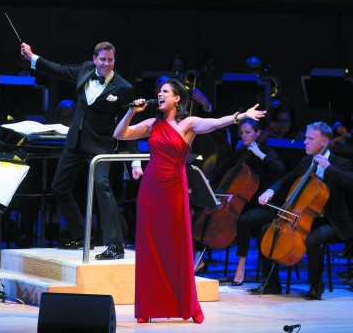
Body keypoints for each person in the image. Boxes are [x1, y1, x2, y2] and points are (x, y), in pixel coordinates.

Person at [113, 78, 264, 323]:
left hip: (174, 188)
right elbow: (119, 133)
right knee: (150, 247)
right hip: (151, 188)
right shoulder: (152, 123)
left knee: (177, 245)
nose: (159, 95)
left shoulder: (188, 124)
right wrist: (131, 111)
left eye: (165, 92)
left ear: (177, 98)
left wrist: (240, 116)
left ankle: (187, 306)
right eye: (158, 91)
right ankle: (148, 307)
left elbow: (215, 124)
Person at [20, 41, 142, 259]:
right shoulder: (85, 70)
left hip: (100, 145)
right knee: (58, 187)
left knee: (102, 187)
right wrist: (32, 58)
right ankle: (79, 234)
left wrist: (135, 161)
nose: (106, 64)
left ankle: (115, 245)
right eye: (103, 59)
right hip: (75, 142)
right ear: (94, 59)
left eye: (110, 60)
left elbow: (130, 123)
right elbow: (58, 69)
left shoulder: (124, 88)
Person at [251, 122, 353, 300]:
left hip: (331, 221)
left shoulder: (340, 163)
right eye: (305, 138)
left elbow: (350, 182)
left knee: (314, 240)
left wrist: (329, 167)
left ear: (324, 142)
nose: (305, 142)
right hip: (303, 218)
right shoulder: (306, 161)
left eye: (310, 138)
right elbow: (286, 180)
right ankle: (272, 283)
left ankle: (316, 285)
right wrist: (271, 190)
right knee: (266, 230)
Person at [202, 118, 286, 285]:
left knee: (244, 221)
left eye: (248, 133)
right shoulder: (241, 153)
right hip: (242, 205)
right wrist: (208, 180)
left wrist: (261, 155)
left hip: (264, 205)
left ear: (258, 133)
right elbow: (223, 169)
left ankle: (241, 266)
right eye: (242, 133)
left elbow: (281, 171)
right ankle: (199, 258)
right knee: (203, 213)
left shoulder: (268, 152)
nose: (244, 136)